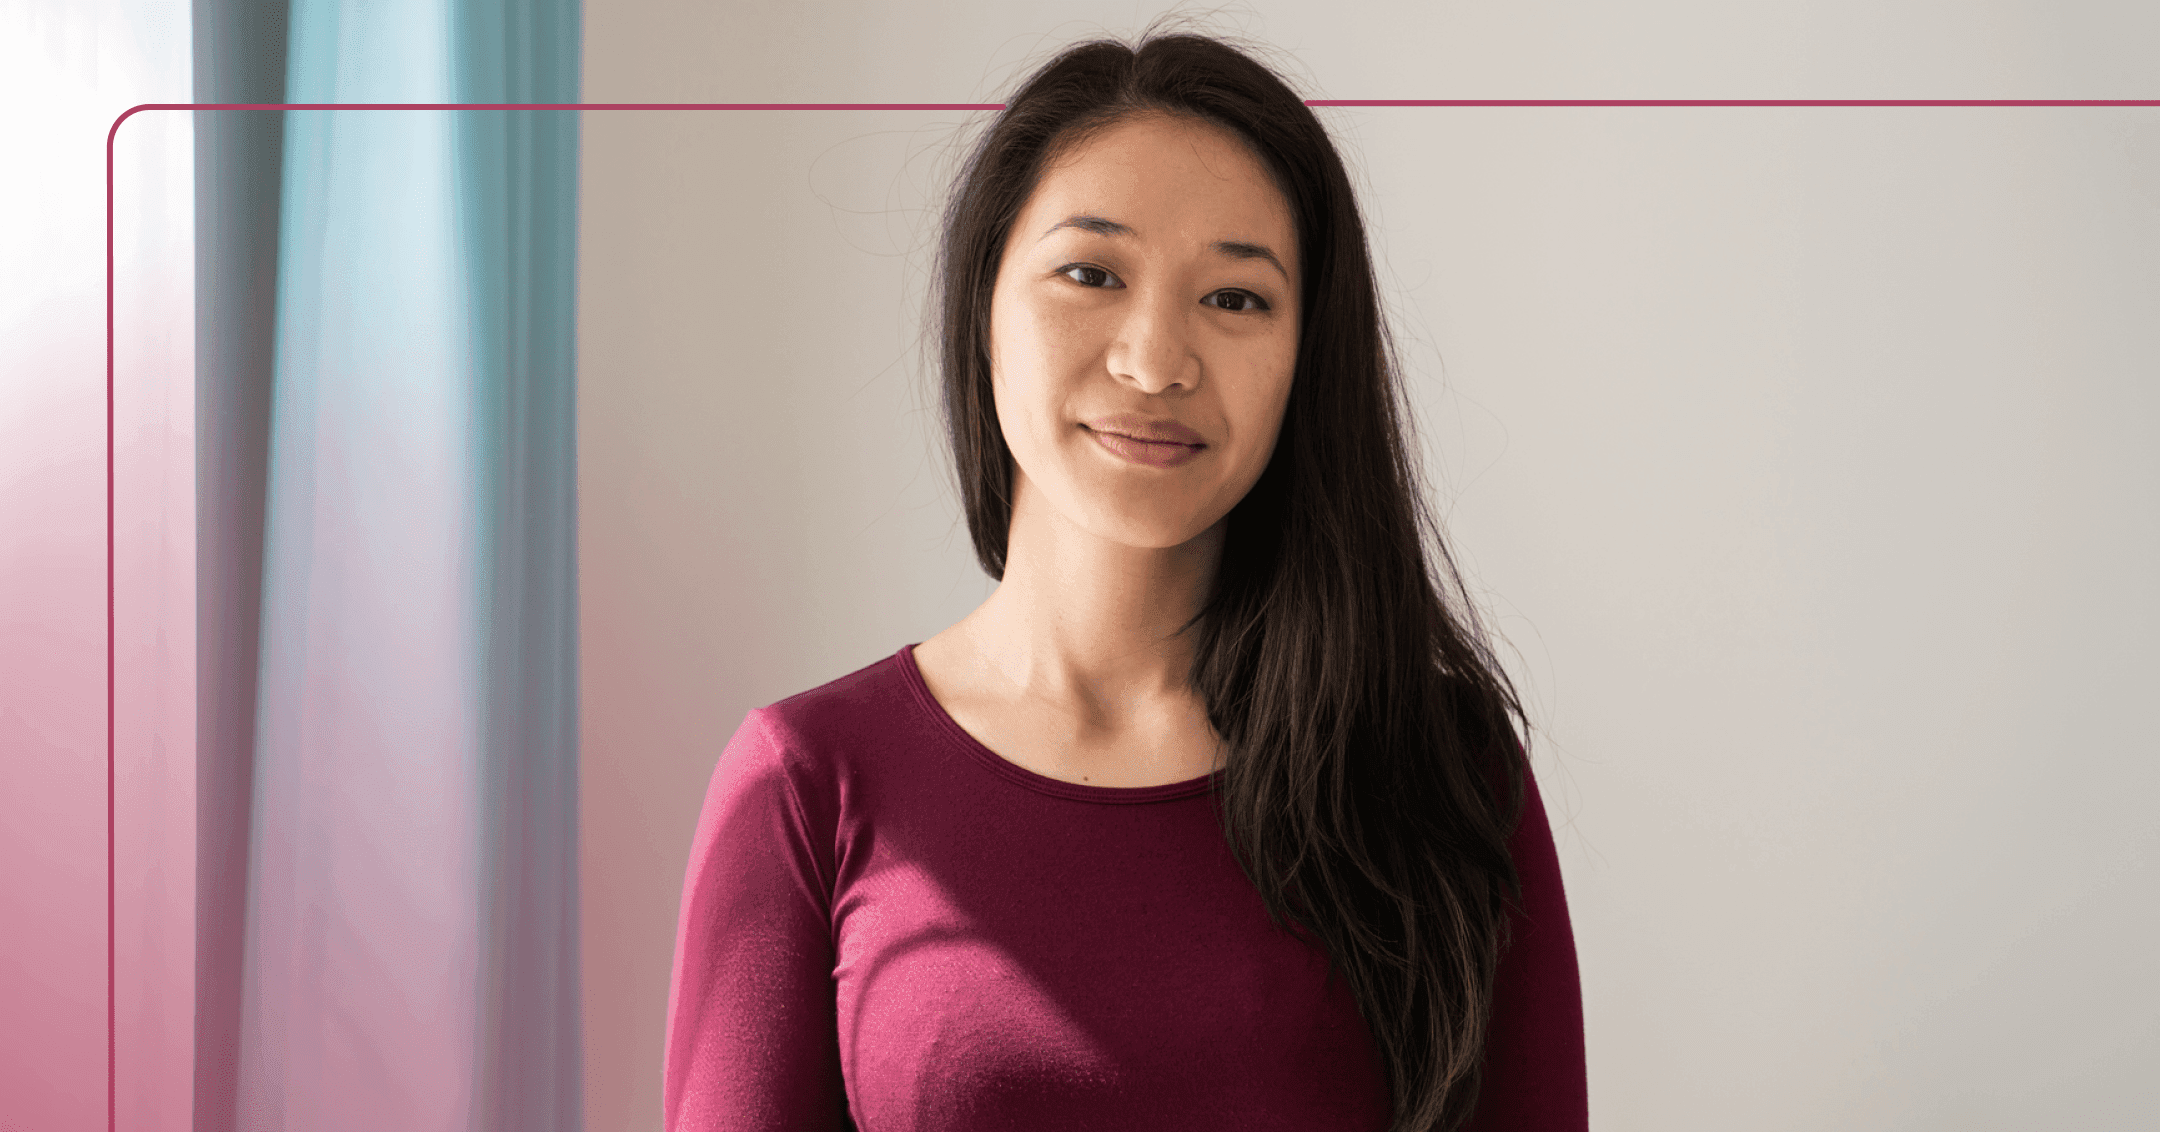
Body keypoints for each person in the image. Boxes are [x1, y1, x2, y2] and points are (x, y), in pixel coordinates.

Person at [663, 25, 1586, 1132]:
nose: (1155, 362)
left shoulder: (1440, 764)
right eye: (1091, 274)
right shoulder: (809, 782)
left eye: (1235, 298)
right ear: (983, 310)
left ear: (1308, 357)